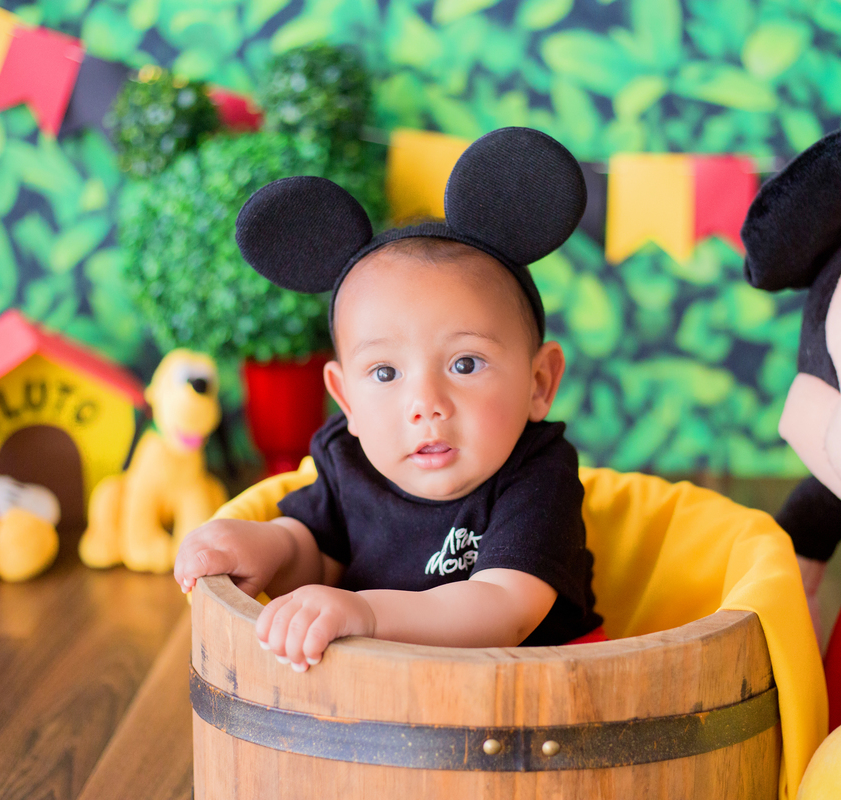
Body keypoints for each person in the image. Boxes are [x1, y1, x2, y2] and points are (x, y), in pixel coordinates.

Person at [174, 127, 602, 672]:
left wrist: (364, 613)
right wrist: (262, 546)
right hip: (391, 698)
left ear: (539, 383)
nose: (425, 403)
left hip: (542, 692)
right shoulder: (348, 461)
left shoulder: (537, 475)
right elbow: (315, 554)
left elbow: (503, 609)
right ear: (345, 399)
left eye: (465, 364)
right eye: (384, 372)